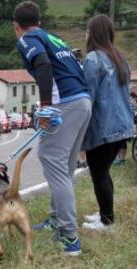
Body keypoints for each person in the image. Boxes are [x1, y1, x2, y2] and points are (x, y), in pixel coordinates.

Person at [13, 1, 92, 256]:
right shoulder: (54, 38)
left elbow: (43, 65)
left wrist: (46, 107)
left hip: (65, 102)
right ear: (40, 20)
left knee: (50, 157)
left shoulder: (28, 38)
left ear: (16, 26)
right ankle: (56, 219)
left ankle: (69, 237)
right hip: (82, 100)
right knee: (65, 164)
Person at [81, 14, 134, 230]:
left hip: (103, 126)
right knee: (104, 172)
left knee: (99, 174)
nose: (85, 34)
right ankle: (105, 214)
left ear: (92, 33)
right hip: (122, 125)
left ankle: (107, 221)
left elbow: (88, 96)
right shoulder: (120, 57)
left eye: (87, 30)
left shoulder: (93, 59)